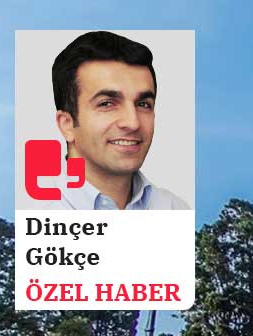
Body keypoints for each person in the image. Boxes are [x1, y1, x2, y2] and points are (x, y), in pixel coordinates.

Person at [46, 32, 189, 210]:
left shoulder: (175, 209)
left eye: (143, 104)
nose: (133, 122)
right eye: (107, 104)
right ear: (66, 124)